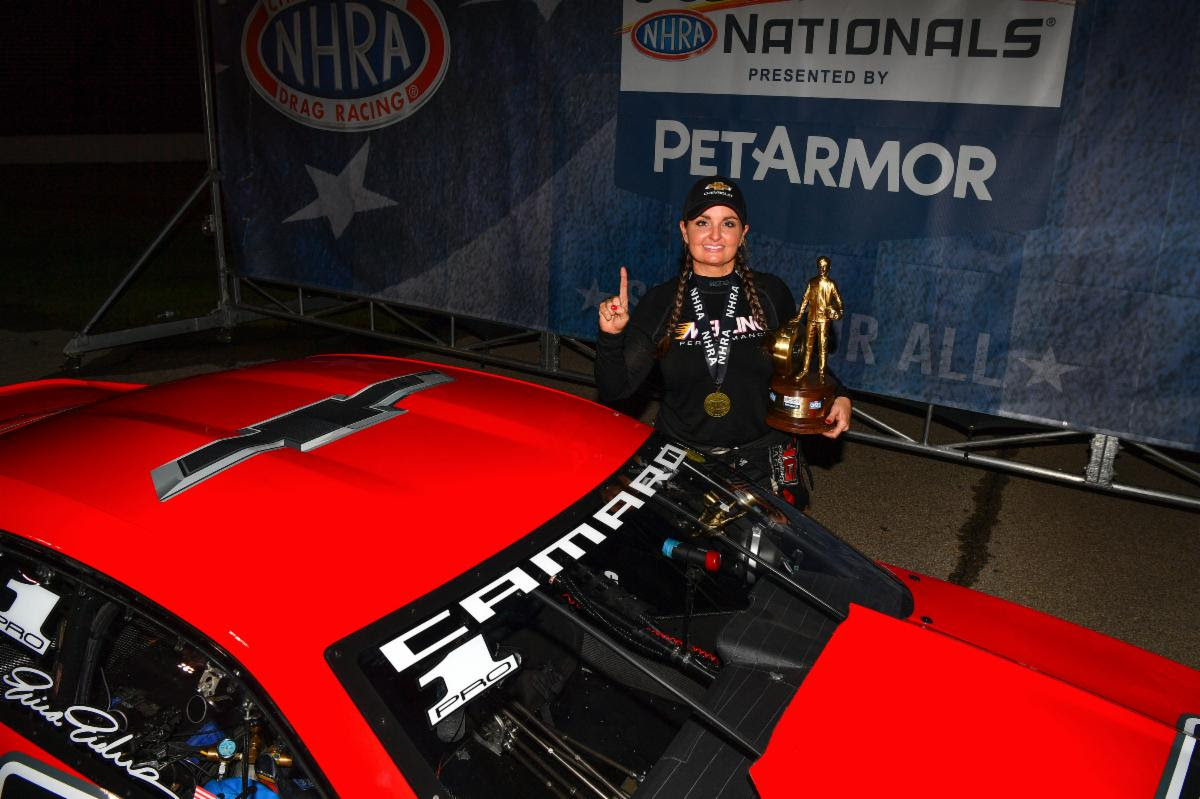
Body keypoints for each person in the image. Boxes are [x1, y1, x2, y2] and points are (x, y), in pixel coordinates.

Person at [595, 176, 851, 508]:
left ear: (743, 233)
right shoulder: (661, 304)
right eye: (703, 222)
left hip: (764, 455)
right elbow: (616, 389)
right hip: (683, 459)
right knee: (680, 557)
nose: (715, 235)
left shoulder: (771, 294)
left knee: (771, 558)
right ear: (684, 231)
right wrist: (611, 337)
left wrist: (840, 394)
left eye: (727, 223)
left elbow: (803, 363)